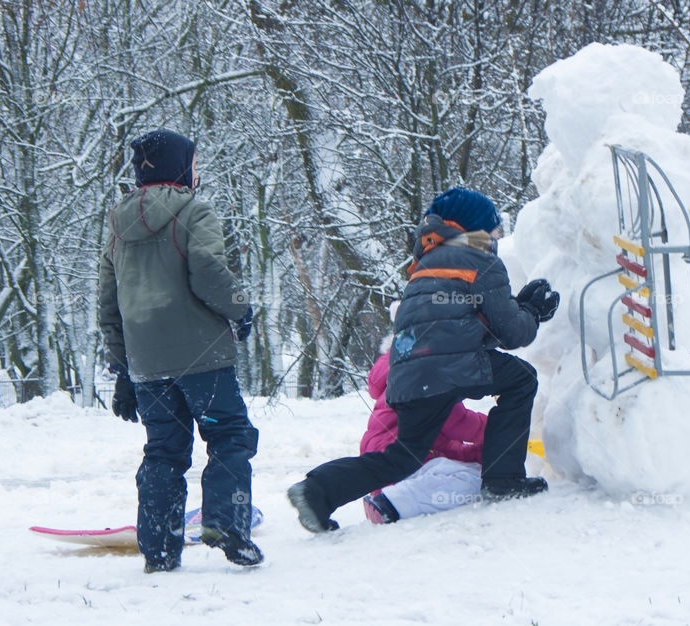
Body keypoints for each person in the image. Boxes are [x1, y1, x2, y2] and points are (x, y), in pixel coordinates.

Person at [288, 187, 560, 532]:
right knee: (522, 379)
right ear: (475, 228)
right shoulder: (483, 262)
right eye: (493, 229)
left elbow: (462, 331)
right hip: (450, 368)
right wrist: (532, 311)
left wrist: (520, 308)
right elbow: (512, 335)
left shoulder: (424, 268)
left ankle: (317, 491)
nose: (497, 236)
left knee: (403, 456)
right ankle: (503, 480)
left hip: (409, 376)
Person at [98, 128, 263, 571]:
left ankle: (159, 551)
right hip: (202, 358)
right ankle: (226, 524)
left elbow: (107, 303)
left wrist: (122, 370)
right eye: (192, 163)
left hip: (148, 365)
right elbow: (207, 270)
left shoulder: (116, 226)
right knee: (230, 436)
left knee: (164, 451)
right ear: (180, 167)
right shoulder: (194, 211)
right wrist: (240, 310)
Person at [361, 344, 487, 524]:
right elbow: (457, 422)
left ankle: (390, 497)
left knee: (471, 469)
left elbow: (443, 446)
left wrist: (477, 453)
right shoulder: (429, 371)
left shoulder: (398, 375)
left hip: (387, 462)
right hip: (404, 461)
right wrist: (500, 429)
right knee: (475, 481)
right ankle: (393, 502)